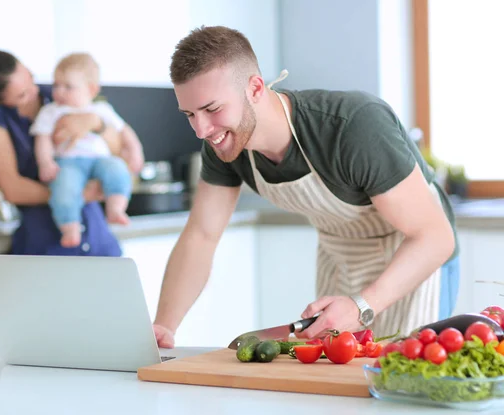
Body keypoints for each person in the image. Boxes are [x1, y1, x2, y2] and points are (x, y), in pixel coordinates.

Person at [152, 26, 459, 348]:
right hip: (340, 257)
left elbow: (435, 237)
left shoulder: (352, 127)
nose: (201, 130)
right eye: (190, 114)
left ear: (255, 88)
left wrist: (362, 305)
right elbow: (201, 235)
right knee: (335, 387)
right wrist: (164, 326)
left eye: (213, 109)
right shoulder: (224, 144)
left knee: (402, 383)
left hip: (414, 260)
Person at [0, 49, 144, 256]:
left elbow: (114, 150)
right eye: (22, 94)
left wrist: (95, 123)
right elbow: (13, 189)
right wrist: (72, 193)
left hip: (98, 237)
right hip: (46, 242)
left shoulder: (61, 94)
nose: (34, 91)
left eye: (31, 79)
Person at [30, 53, 133, 248]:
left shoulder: (102, 109)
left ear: (91, 89)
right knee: (64, 186)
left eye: (68, 86)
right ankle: (69, 226)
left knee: (117, 168)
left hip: (99, 160)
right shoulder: (51, 111)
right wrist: (46, 162)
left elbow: (125, 131)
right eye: (56, 85)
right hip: (68, 161)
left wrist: (135, 151)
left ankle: (116, 207)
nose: (59, 91)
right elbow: (42, 138)